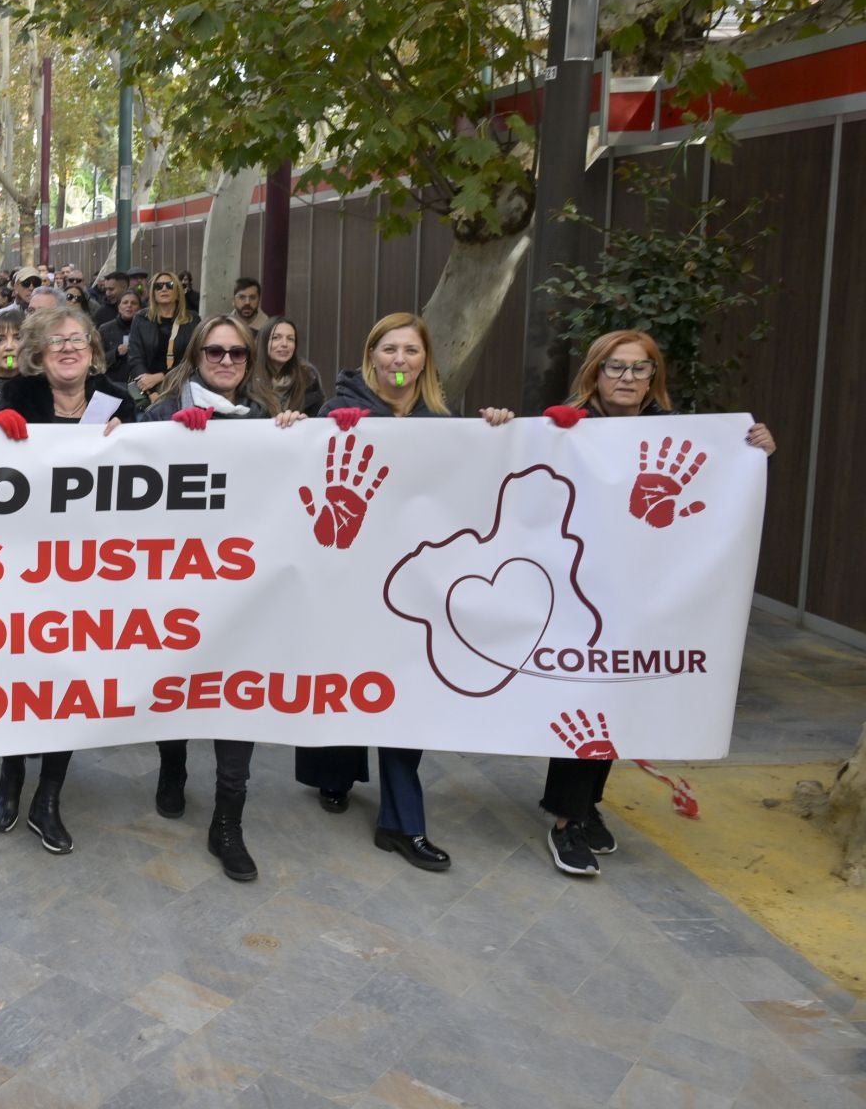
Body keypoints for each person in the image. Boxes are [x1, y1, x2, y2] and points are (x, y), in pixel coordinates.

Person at [534, 330, 775, 877]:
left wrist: (754, 454)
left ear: (653, 380)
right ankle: (565, 822)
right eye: (615, 367)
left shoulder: (675, 434)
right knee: (589, 702)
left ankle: (587, 804)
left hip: (643, 594)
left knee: (622, 704)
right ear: (595, 373)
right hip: (579, 591)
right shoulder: (566, 427)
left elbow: (723, 494)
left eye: (639, 370)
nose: (626, 378)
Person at [293, 312, 513, 874]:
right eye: (389, 349)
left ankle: (402, 822)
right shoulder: (338, 414)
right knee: (346, 683)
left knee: (403, 696)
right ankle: (335, 774)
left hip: (415, 585)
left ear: (425, 361)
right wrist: (299, 426)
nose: (399, 361)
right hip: (350, 578)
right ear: (371, 355)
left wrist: (497, 430)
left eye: (410, 351)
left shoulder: (444, 419)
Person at [143, 317, 308, 882]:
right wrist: (165, 440)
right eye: (215, 350)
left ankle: (227, 822)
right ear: (196, 355)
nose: (227, 360)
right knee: (177, 683)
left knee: (238, 694)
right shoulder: (163, 413)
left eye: (238, 352)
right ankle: (171, 766)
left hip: (244, 589)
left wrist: (300, 434)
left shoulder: (265, 417)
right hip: (178, 585)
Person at [0, 304, 137, 854]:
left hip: (91, 571)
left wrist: (152, 437)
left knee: (69, 679)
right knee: (22, 675)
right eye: (56, 341)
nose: (68, 349)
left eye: (78, 340)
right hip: (23, 566)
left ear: (93, 350)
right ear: (38, 354)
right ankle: (11, 771)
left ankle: (49, 794)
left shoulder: (122, 404)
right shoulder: (18, 399)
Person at [124, 269, 196, 402]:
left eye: (169, 285)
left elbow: (193, 359)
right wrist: (150, 391)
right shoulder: (140, 318)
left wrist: (161, 376)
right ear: (153, 293)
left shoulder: (192, 320)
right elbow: (135, 357)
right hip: (145, 388)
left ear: (178, 291)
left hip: (181, 386)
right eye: (158, 286)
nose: (164, 289)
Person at [250, 316, 324, 415]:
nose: (285, 344)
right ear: (263, 342)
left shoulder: (308, 377)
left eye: (290, 339)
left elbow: (320, 418)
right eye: (276, 338)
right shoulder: (248, 378)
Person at [100, 290, 141, 367]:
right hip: (112, 376)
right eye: (125, 302)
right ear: (119, 307)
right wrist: (116, 352)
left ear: (139, 308)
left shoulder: (145, 329)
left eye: (133, 303)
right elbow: (97, 359)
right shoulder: (105, 329)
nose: (129, 305)